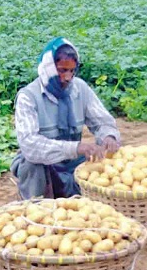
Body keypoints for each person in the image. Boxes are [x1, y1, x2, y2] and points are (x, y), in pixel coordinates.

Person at [11, 37, 121, 199]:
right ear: (48, 68)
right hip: (45, 165)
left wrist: (108, 136)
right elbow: (30, 145)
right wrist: (75, 148)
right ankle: (36, 205)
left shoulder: (80, 88)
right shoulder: (28, 97)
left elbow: (103, 121)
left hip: (72, 163)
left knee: (106, 156)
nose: (68, 77)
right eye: (62, 70)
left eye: (72, 71)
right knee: (31, 164)